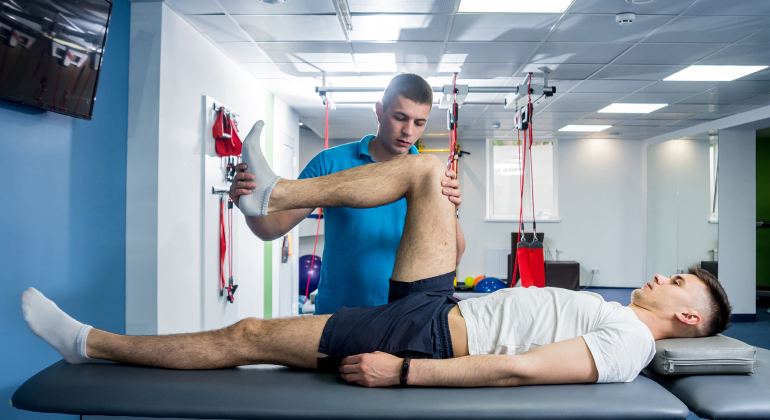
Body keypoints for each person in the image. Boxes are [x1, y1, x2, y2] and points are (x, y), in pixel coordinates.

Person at [22, 123, 732, 388]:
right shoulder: (624, 321)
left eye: (680, 284)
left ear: (690, 320)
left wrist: (406, 376)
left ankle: (94, 345)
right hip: (441, 307)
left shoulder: (626, 344)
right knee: (426, 170)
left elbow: (518, 368)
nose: (664, 277)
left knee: (249, 337)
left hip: (423, 337)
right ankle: (273, 190)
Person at [230, 73, 466, 314]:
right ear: (379, 111)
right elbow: (271, 228)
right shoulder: (329, 162)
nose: (408, 131)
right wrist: (248, 200)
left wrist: (451, 210)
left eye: (419, 123)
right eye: (400, 117)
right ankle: (271, 191)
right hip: (337, 316)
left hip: (401, 318)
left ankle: (276, 188)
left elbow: (453, 257)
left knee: (427, 169)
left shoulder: (434, 177)